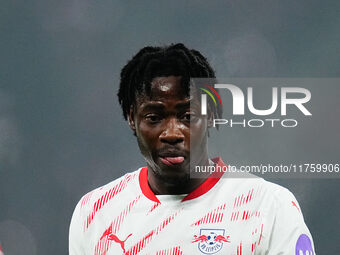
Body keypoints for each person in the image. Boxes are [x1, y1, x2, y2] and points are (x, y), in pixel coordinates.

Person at [69, 43, 316, 255]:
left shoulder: (267, 206)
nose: (172, 134)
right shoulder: (95, 213)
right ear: (132, 118)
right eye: (154, 118)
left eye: (187, 116)